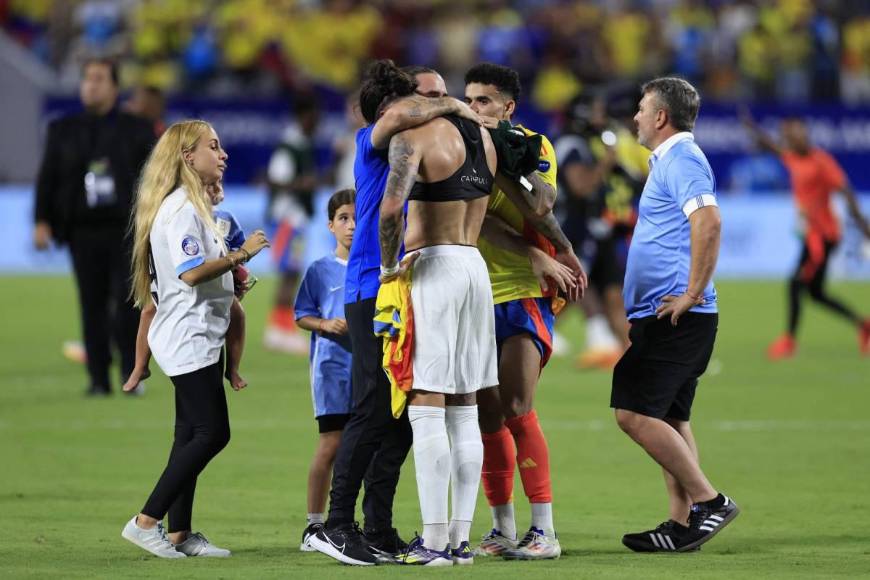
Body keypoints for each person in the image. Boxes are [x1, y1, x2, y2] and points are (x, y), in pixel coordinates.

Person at [309, 60, 483, 566]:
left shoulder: (412, 144)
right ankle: (335, 525)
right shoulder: (372, 137)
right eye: (418, 100)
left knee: (403, 413)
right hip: (369, 285)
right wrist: (454, 104)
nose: (427, 108)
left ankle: (379, 527)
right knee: (370, 405)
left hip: (400, 286)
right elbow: (403, 115)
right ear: (391, 109)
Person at [120, 120, 270, 558]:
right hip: (187, 335)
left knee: (188, 434)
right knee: (212, 433)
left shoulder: (193, 206)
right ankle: (146, 521)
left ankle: (180, 534)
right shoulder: (183, 208)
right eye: (214, 147)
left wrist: (230, 283)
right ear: (188, 157)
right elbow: (188, 273)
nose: (222, 154)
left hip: (196, 332)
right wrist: (242, 254)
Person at [463, 62, 586, 560]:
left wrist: (510, 163)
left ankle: (545, 532)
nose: (474, 110)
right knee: (485, 416)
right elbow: (478, 221)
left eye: (484, 101)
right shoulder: (459, 147)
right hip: (472, 291)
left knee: (517, 408)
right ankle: (502, 528)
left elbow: (543, 204)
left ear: (508, 107)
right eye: (469, 100)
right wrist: (534, 249)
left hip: (522, 292)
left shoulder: (535, 145)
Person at [615, 77, 738, 553]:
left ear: (661, 116)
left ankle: (709, 501)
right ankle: (682, 522)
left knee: (633, 413)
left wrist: (691, 293)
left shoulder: (683, 158)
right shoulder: (670, 160)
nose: (636, 118)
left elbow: (708, 220)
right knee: (670, 416)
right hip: (669, 314)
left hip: (676, 315)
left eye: (643, 109)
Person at [378, 87, 499, 566]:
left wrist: (389, 269)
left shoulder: (417, 137)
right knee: (465, 403)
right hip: (474, 265)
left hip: (432, 266)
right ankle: (459, 540)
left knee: (427, 400)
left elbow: (391, 209)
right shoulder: (484, 141)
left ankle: (432, 543)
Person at [34, 57, 156, 396]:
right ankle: (98, 380)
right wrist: (41, 221)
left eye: (99, 79)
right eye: (87, 78)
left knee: (127, 304)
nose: (91, 85)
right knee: (91, 305)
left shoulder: (137, 129)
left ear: (115, 87)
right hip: (82, 230)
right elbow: (48, 178)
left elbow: (153, 180)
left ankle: (131, 376)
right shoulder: (63, 129)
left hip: (126, 231)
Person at [741, 113, 870, 358]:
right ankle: (864, 325)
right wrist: (752, 128)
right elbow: (773, 147)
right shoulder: (791, 157)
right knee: (816, 293)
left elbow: (846, 192)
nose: (791, 138)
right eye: (788, 135)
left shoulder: (821, 162)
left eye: (795, 133)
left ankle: (788, 341)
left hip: (823, 237)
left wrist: (864, 227)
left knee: (794, 284)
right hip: (813, 236)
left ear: (805, 133)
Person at [122, 180, 254, 394]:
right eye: (209, 185)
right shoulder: (183, 215)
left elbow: (236, 250)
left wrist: (236, 273)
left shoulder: (226, 220)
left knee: (237, 313)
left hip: (210, 282)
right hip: (175, 281)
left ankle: (232, 369)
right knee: (148, 310)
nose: (215, 187)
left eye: (218, 183)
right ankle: (139, 366)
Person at [293, 189, 356, 551]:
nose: (351, 226)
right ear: (330, 225)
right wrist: (324, 325)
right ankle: (313, 526)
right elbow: (301, 314)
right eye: (344, 219)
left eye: (357, 218)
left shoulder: (375, 267)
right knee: (331, 444)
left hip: (366, 367)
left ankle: (344, 520)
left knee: (359, 447)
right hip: (331, 367)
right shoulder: (320, 270)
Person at [264, 95, 323, 354]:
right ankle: (277, 330)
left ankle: (281, 328)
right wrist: (301, 184)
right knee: (288, 274)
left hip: (295, 220)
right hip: (287, 218)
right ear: (303, 116)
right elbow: (275, 180)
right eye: (313, 117)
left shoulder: (300, 145)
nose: (317, 122)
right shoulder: (289, 147)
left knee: (292, 273)